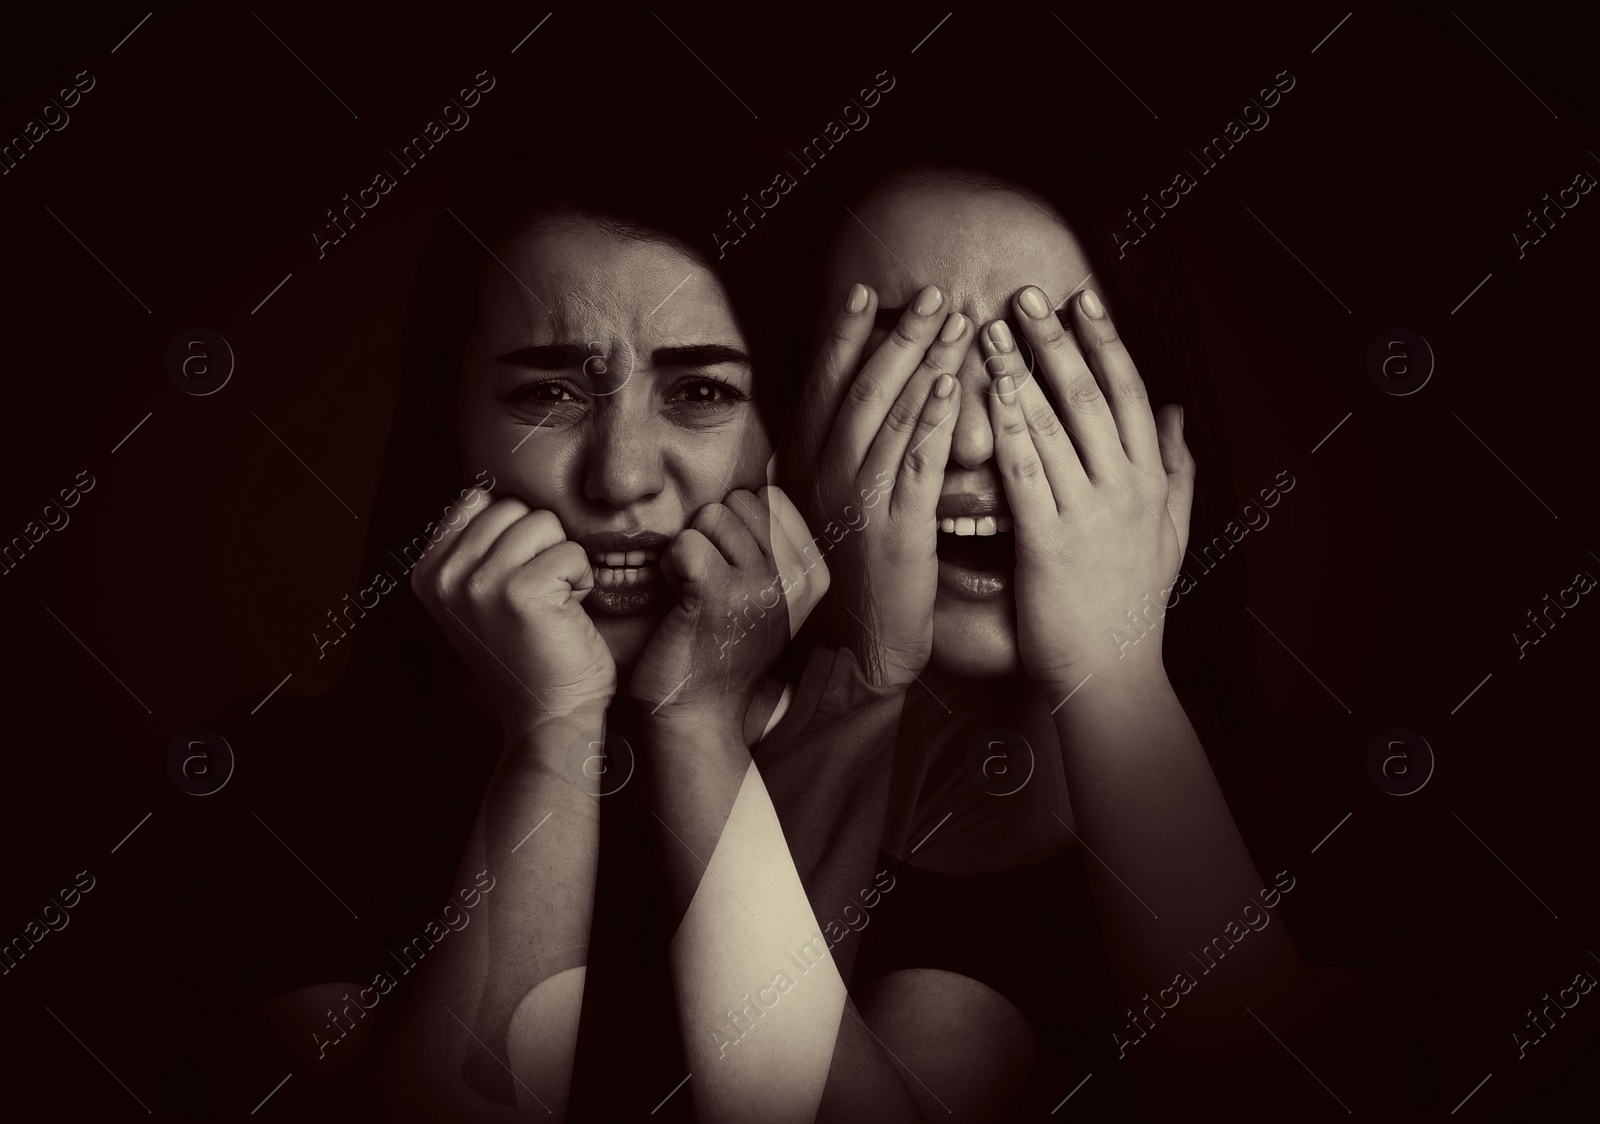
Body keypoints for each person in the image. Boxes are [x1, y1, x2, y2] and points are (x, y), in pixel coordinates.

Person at [157, 94, 877, 1122]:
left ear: (785, 430)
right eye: (548, 393)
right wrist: (551, 736)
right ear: (445, 421)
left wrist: (698, 724)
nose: (623, 476)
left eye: (702, 391)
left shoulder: (921, 774)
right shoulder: (261, 795)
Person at [757, 95, 1417, 1120]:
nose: (974, 440)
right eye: (906, 365)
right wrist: (854, 667)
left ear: (1157, 438)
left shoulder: (1310, 813)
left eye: (1038, 362)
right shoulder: (675, 783)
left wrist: (1111, 669)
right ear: (792, 422)